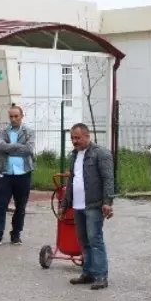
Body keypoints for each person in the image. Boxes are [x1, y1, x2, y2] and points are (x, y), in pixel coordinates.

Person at [64, 124, 115, 290]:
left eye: (77, 138)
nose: (74, 141)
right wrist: (65, 203)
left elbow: (108, 179)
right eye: (72, 138)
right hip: (78, 205)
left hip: (94, 205)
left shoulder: (101, 153)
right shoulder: (74, 155)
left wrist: (107, 202)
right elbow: (71, 181)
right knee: (83, 241)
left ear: (87, 136)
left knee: (95, 240)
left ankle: (101, 276)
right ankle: (88, 273)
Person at [0, 104, 35, 246]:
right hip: (6, 172)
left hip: (23, 173)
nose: (13, 119)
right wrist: (17, 147)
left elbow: (29, 149)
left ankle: (16, 234)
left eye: (16, 116)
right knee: (1, 205)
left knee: (20, 206)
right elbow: (0, 146)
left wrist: (10, 149)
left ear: (21, 117)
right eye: (11, 116)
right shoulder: (3, 131)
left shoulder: (28, 131)